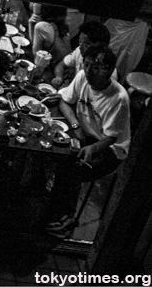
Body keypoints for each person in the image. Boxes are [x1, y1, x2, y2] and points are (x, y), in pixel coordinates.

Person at [47, 45, 131, 237]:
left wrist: (92, 147)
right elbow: (65, 100)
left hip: (109, 147)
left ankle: (66, 218)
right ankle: (53, 205)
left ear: (108, 71)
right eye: (86, 65)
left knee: (74, 168)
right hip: (85, 134)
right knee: (57, 152)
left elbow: (112, 137)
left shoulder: (119, 99)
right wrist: (76, 125)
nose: (87, 72)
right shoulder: (83, 77)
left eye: (94, 68)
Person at [52, 20, 116, 88]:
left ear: (101, 47)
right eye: (80, 41)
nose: (80, 47)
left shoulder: (107, 73)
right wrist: (58, 77)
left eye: (86, 44)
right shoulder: (79, 51)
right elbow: (61, 64)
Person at [31, 4, 71, 82]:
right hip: (62, 76)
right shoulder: (64, 30)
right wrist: (31, 23)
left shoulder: (42, 26)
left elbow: (36, 54)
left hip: (52, 77)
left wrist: (35, 14)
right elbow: (35, 43)